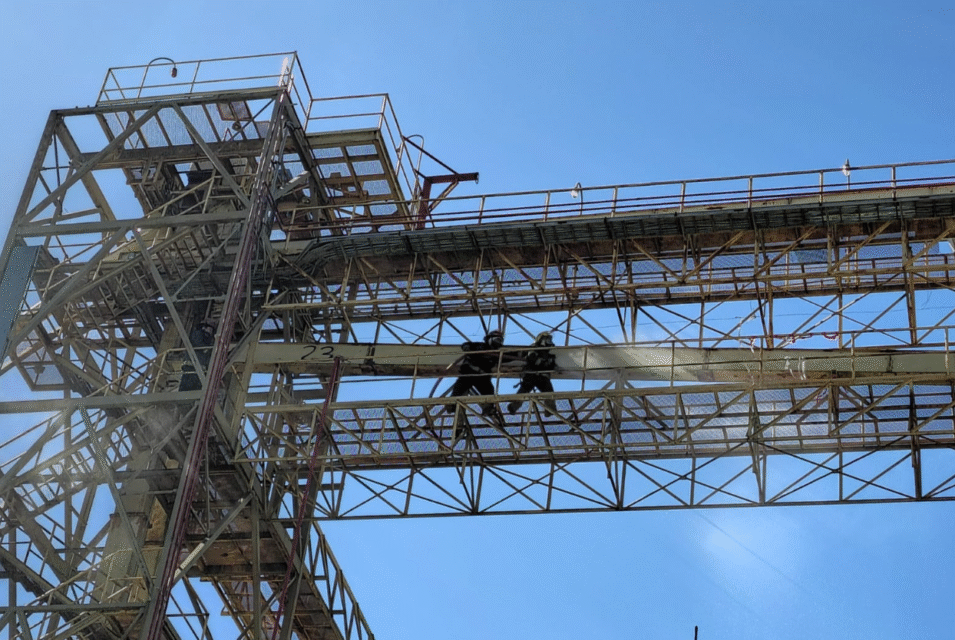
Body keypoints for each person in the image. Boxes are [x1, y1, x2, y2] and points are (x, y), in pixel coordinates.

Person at [445, 329, 516, 419]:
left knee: (489, 390)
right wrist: (467, 347)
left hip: (482, 377)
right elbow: (466, 345)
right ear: (489, 338)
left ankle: (489, 408)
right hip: (468, 373)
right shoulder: (479, 346)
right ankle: (452, 405)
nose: (498, 342)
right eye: (497, 339)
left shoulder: (497, 354)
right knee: (459, 388)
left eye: (500, 340)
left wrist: (521, 354)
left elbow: (507, 357)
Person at [507, 331, 557, 414]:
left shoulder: (549, 354)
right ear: (542, 340)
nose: (549, 342)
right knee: (523, 391)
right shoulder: (534, 349)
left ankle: (550, 409)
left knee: (549, 393)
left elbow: (551, 367)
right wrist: (542, 360)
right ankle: (513, 406)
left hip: (542, 377)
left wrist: (550, 362)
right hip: (531, 375)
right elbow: (531, 359)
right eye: (547, 339)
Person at [179, 321, 215, 391]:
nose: (211, 332)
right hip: (191, 367)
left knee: (196, 390)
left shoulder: (208, 341)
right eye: (210, 329)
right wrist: (207, 348)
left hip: (200, 370)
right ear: (204, 327)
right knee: (186, 388)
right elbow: (198, 344)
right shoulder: (198, 334)